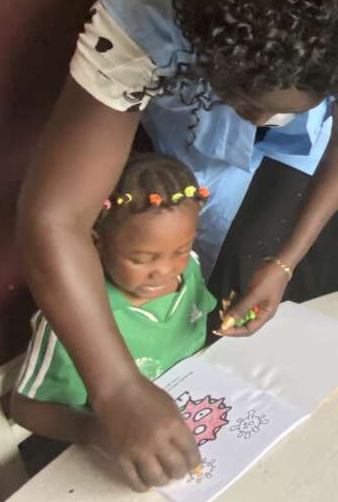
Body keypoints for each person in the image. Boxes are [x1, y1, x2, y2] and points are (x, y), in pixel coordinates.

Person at [17, 0, 338, 490]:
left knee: (304, 276)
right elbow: (55, 215)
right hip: (196, 138)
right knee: (220, 263)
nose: (263, 121)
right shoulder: (142, 17)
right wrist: (118, 389)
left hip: (314, 141)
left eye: (280, 107)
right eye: (248, 100)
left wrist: (284, 262)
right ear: (205, 53)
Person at [12, 154, 217, 445]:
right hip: (112, 449)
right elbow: (25, 409)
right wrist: (99, 433)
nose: (165, 270)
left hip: (189, 419)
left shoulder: (191, 270)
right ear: (97, 244)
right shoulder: (71, 317)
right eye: (141, 259)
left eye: (181, 250)